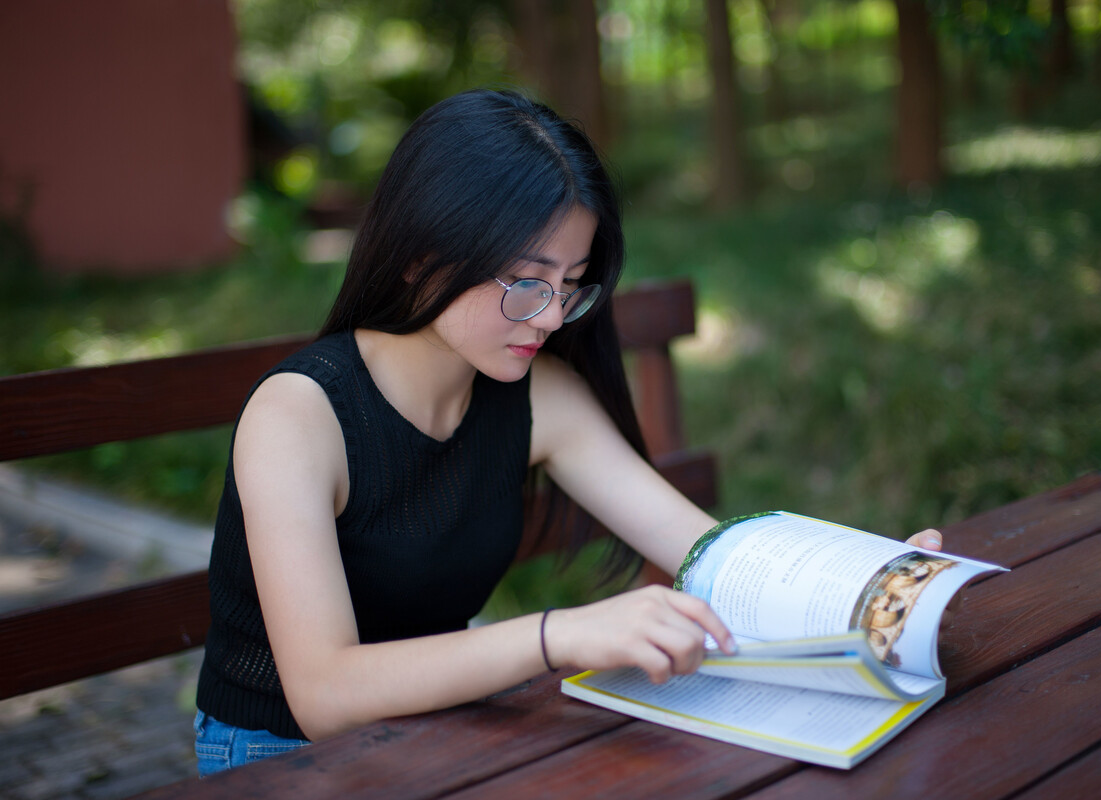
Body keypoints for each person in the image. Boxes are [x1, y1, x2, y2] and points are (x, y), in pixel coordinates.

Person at [192, 88, 946, 775]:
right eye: (527, 283)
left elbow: (705, 552)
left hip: (443, 737)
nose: (552, 317)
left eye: (570, 285)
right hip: (277, 760)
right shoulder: (299, 416)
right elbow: (325, 693)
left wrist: (870, 582)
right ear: (423, 256)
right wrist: (559, 636)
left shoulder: (534, 397)